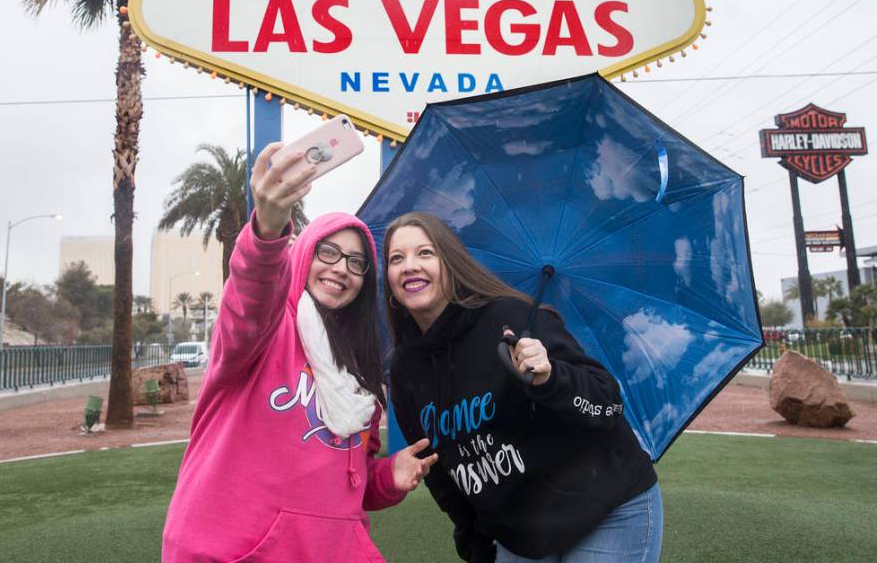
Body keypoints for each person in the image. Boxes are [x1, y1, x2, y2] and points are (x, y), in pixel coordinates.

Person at [162, 144, 436, 563]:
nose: (342, 268)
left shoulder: (359, 379)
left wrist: (387, 478)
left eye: (357, 262)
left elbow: (347, 486)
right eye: (329, 252)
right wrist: (267, 232)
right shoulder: (261, 335)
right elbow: (251, 296)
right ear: (304, 253)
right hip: (237, 551)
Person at [384, 212, 661, 563]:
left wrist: (551, 378)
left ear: (450, 263)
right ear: (389, 280)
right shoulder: (405, 369)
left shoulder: (509, 319)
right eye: (397, 258)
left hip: (606, 508)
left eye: (425, 253)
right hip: (520, 536)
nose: (410, 266)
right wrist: (473, 540)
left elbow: (607, 404)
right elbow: (437, 468)